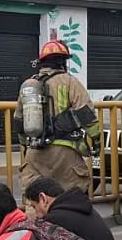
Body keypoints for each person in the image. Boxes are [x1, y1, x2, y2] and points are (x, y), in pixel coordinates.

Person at [16, 38, 101, 204]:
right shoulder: (69, 81)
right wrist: (96, 139)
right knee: (74, 197)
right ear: (62, 62)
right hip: (65, 153)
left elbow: (19, 121)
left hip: (36, 153)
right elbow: (86, 114)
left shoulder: (29, 85)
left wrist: (27, 147)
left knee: (37, 201)